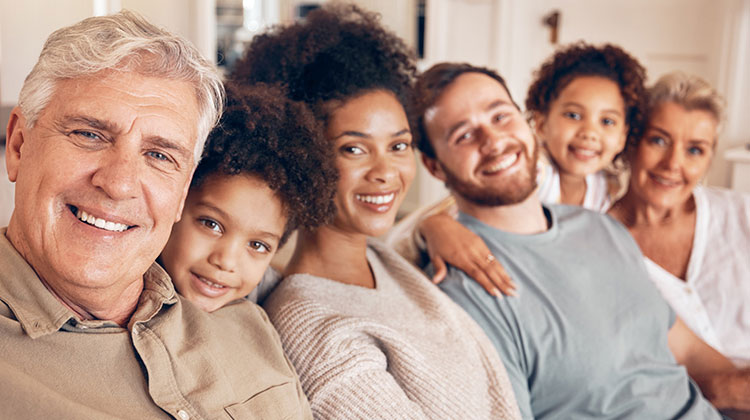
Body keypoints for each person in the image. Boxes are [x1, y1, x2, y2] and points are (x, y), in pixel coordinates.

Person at [1, 11, 311, 418]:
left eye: (159, 155)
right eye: (90, 134)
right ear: (19, 146)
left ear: (183, 191)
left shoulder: (246, 324)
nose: (119, 183)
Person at [231, 5, 521, 419]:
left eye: (398, 146)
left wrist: (432, 225)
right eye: (354, 149)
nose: (386, 173)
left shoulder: (381, 258)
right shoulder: (311, 325)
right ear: (306, 156)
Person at [415, 61, 750, 418]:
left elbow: (683, 350)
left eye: (500, 117)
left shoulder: (601, 226)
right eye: (463, 135)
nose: (494, 141)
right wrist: (431, 225)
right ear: (434, 166)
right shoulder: (464, 289)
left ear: (525, 123)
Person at [387, 43, 646, 294]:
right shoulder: (533, 173)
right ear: (540, 124)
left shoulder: (608, 188)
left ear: (623, 136)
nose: (590, 133)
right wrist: (432, 227)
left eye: (607, 121)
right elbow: (411, 231)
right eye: (573, 116)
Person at [608, 72, 750, 369]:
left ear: (709, 160)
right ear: (631, 143)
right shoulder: (599, 241)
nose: (673, 164)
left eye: (694, 150)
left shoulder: (741, 214)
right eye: (659, 140)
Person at [159, 82, 337, 312]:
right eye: (211, 224)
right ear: (177, 200)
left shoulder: (258, 319)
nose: (226, 261)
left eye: (258, 245)